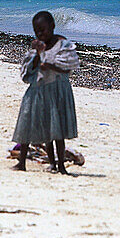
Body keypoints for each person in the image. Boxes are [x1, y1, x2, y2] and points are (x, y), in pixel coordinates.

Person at [13, 11, 80, 173]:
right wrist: (37, 54)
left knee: (57, 130)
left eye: (43, 30)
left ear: (52, 26)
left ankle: (60, 166)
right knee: (27, 126)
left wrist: (49, 65)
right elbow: (27, 72)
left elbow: (68, 66)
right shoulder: (36, 47)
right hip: (37, 91)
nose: (40, 34)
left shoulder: (62, 45)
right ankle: (22, 163)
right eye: (37, 31)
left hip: (57, 92)